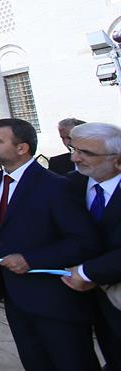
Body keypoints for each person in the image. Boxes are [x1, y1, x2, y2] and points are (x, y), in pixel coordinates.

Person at [0, 118, 101, 371]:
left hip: (54, 301)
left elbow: (84, 242)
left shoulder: (56, 186)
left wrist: (31, 260)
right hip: (15, 299)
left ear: (22, 148)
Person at [61, 122, 121, 369]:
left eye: (86, 153)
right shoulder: (68, 185)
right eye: (75, 149)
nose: (75, 158)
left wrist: (87, 272)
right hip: (81, 300)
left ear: (117, 161)